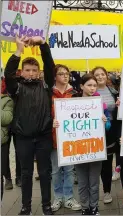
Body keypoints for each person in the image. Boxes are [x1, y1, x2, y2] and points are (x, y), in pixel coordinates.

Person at [5, 35, 55, 215]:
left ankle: (46, 205)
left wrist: (43, 44)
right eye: (28, 70)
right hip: (23, 139)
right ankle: (25, 206)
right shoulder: (16, 88)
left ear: (39, 72)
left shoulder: (46, 85)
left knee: (44, 173)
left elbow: (50, 66)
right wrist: (18, 50)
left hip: (43, 137)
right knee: (25, 174)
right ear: (22, 72)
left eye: (35, 70)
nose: (32, 73)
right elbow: (7, 73)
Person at [53, 74, 109, 215]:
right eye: (89, 85)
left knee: (94, 182)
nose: (92, 88)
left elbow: (107, 126)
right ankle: (85, 207)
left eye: (94, 85)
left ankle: (94, 206)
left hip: (95, 148)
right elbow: (64, 122)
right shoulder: (71, 103)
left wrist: (105, 121)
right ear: (82, 86)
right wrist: (56, 123)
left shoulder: (100, 104)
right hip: (78, 150)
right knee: (83, 182)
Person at [50, 64, 81, 212]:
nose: (65, 76)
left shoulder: (75, 93)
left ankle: (68, 197)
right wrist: (51, 122)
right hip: (54, 139)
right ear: (55, 76)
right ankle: (58, 197)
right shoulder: (48, 93)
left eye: (67, 73)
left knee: (69, 170)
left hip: (70, 140)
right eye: (61, 73)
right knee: (55, 171)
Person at [91, 66, 120, 204]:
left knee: (110, 161)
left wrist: (120, 104)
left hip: (112, 130)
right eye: (97, 75)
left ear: (106, 76)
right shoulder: (89, 92)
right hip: (95, 132)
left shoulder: (114, 91)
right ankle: (100, 191)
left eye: (103, 74)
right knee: (101, 164)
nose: (100, 77)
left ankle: (108, 189)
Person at [1, 84, 14, 200]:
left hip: (4, 137)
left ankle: (12, 177)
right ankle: (8, 177)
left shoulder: (6, 100)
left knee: (4, 160)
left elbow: (6, 118)